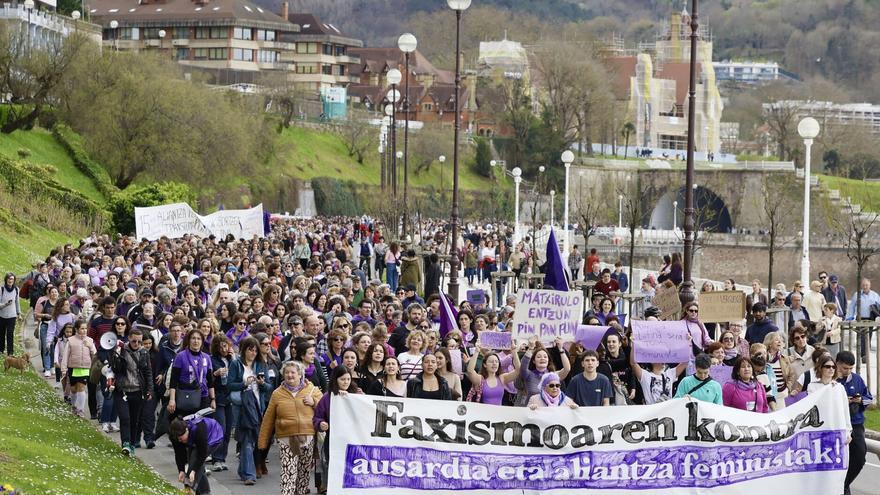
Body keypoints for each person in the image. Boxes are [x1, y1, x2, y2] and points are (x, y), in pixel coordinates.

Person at [258, 360, 323, 495]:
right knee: (288, 473)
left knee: (303, 473)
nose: (289, 375)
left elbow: (325, 409)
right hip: (286, 438)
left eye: (293, 372)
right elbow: (268, 419)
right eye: (286, 372)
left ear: (300, 374)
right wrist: (262, 441)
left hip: (307, 438)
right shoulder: (277, 393)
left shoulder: (312, 390)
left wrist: (314, 402)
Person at [313, 366, 361, 494]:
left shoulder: (357, 394)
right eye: (342, 379)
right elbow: (317, 417)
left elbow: (366, 412)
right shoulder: (327, 397)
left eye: (348, 379)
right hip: (333, 440)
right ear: (335, 380)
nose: (346, 382)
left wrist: (351, 398)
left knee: (352, 468)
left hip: (353, 439)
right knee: (333, 467)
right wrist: (321, 424)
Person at [108, 327, 154, 456]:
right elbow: (113, 367)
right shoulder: (121, 350)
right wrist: (116, 354)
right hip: (122, 390)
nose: (137, 344)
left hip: (138, 390)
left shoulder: (144, 353)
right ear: (129, 338)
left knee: (134, 420)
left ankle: (132, 443)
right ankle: (126, 443)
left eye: (139, 341)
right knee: (125, 418)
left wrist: (150, 390)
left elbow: (148, 372)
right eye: (134, 341)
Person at [836, 351, 873, 495]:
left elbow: (869, 398)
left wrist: (860, 400)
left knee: (859, 457)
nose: (848, 371)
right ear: (837, 364)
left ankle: (844, 485)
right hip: (836, 425)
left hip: (855, 424)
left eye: (851, 368)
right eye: (845, 368)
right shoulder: (831, 379)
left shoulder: (857, 379)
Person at [170, 414, 225, 495]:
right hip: (195, 438)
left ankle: (189, 489)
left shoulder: (198, 430)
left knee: (194, 461)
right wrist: (181, 470)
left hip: (213, 434)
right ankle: (204, 492)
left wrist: (194, 470)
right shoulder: (175, 435)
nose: (180, 441)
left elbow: (202, 455)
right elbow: (179, 454)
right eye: (178, 439)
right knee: (192, 462)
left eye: (181, 438)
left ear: (186, 430)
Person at [168, 329, 216, 419]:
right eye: (193, 338)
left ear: (202, 341)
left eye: (198, 339)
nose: (196, 341)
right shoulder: (180, 356)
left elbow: (210, 381)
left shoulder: (206, 357)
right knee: (185, 424)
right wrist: (172, 399)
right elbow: (173, 381)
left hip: (203, 396)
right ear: (189, 340)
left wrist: (213, 399)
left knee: (202, 425)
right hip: (186, 395)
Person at [515, 337, 571, 406]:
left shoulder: (553, 375)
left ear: (548, 360)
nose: (542, 358)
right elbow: (523, 365)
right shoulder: (528, 375)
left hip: (550, 411)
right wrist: (531, 348)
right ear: (534, 361)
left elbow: (567, 369)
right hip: (532, 410)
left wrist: (561, 349)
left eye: (545, 357)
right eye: (539, 357)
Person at [61, 319, 97, 418]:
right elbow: (65, 356)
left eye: (86, 328)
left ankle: (80, 410)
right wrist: (64, 369)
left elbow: (95, 355)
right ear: (76, 329)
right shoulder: (71, 340)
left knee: (81, 387)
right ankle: (74, 406)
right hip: (73, 368)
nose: (84, 331)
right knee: (73, 389)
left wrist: (90, 347)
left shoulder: (90, 340)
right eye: (82, 328)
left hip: (85, 368)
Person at [208, 335, 232, 472]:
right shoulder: (212, 360)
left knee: (228, 430)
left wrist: (233, 357)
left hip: (230, 398)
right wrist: (215, 374)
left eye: (225, 346)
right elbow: (207, 379)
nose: (224, 349)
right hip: (218, 397)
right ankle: (216, 458)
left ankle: (222, 458)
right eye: (221, 346)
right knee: (220, 428)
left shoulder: (231, 359)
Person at [0, 273, 20, 356]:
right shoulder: (1, 289)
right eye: (8, 278)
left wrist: (19, 313)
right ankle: (1, 350)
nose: (10, 280)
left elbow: (17, 302)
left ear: (14, 280)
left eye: (12, 279)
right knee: (1, 333)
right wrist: (5, 304)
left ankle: (10, 352)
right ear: (6, 280)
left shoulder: (16, 289)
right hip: (2, 316)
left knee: (10, 334)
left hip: (12, 316)